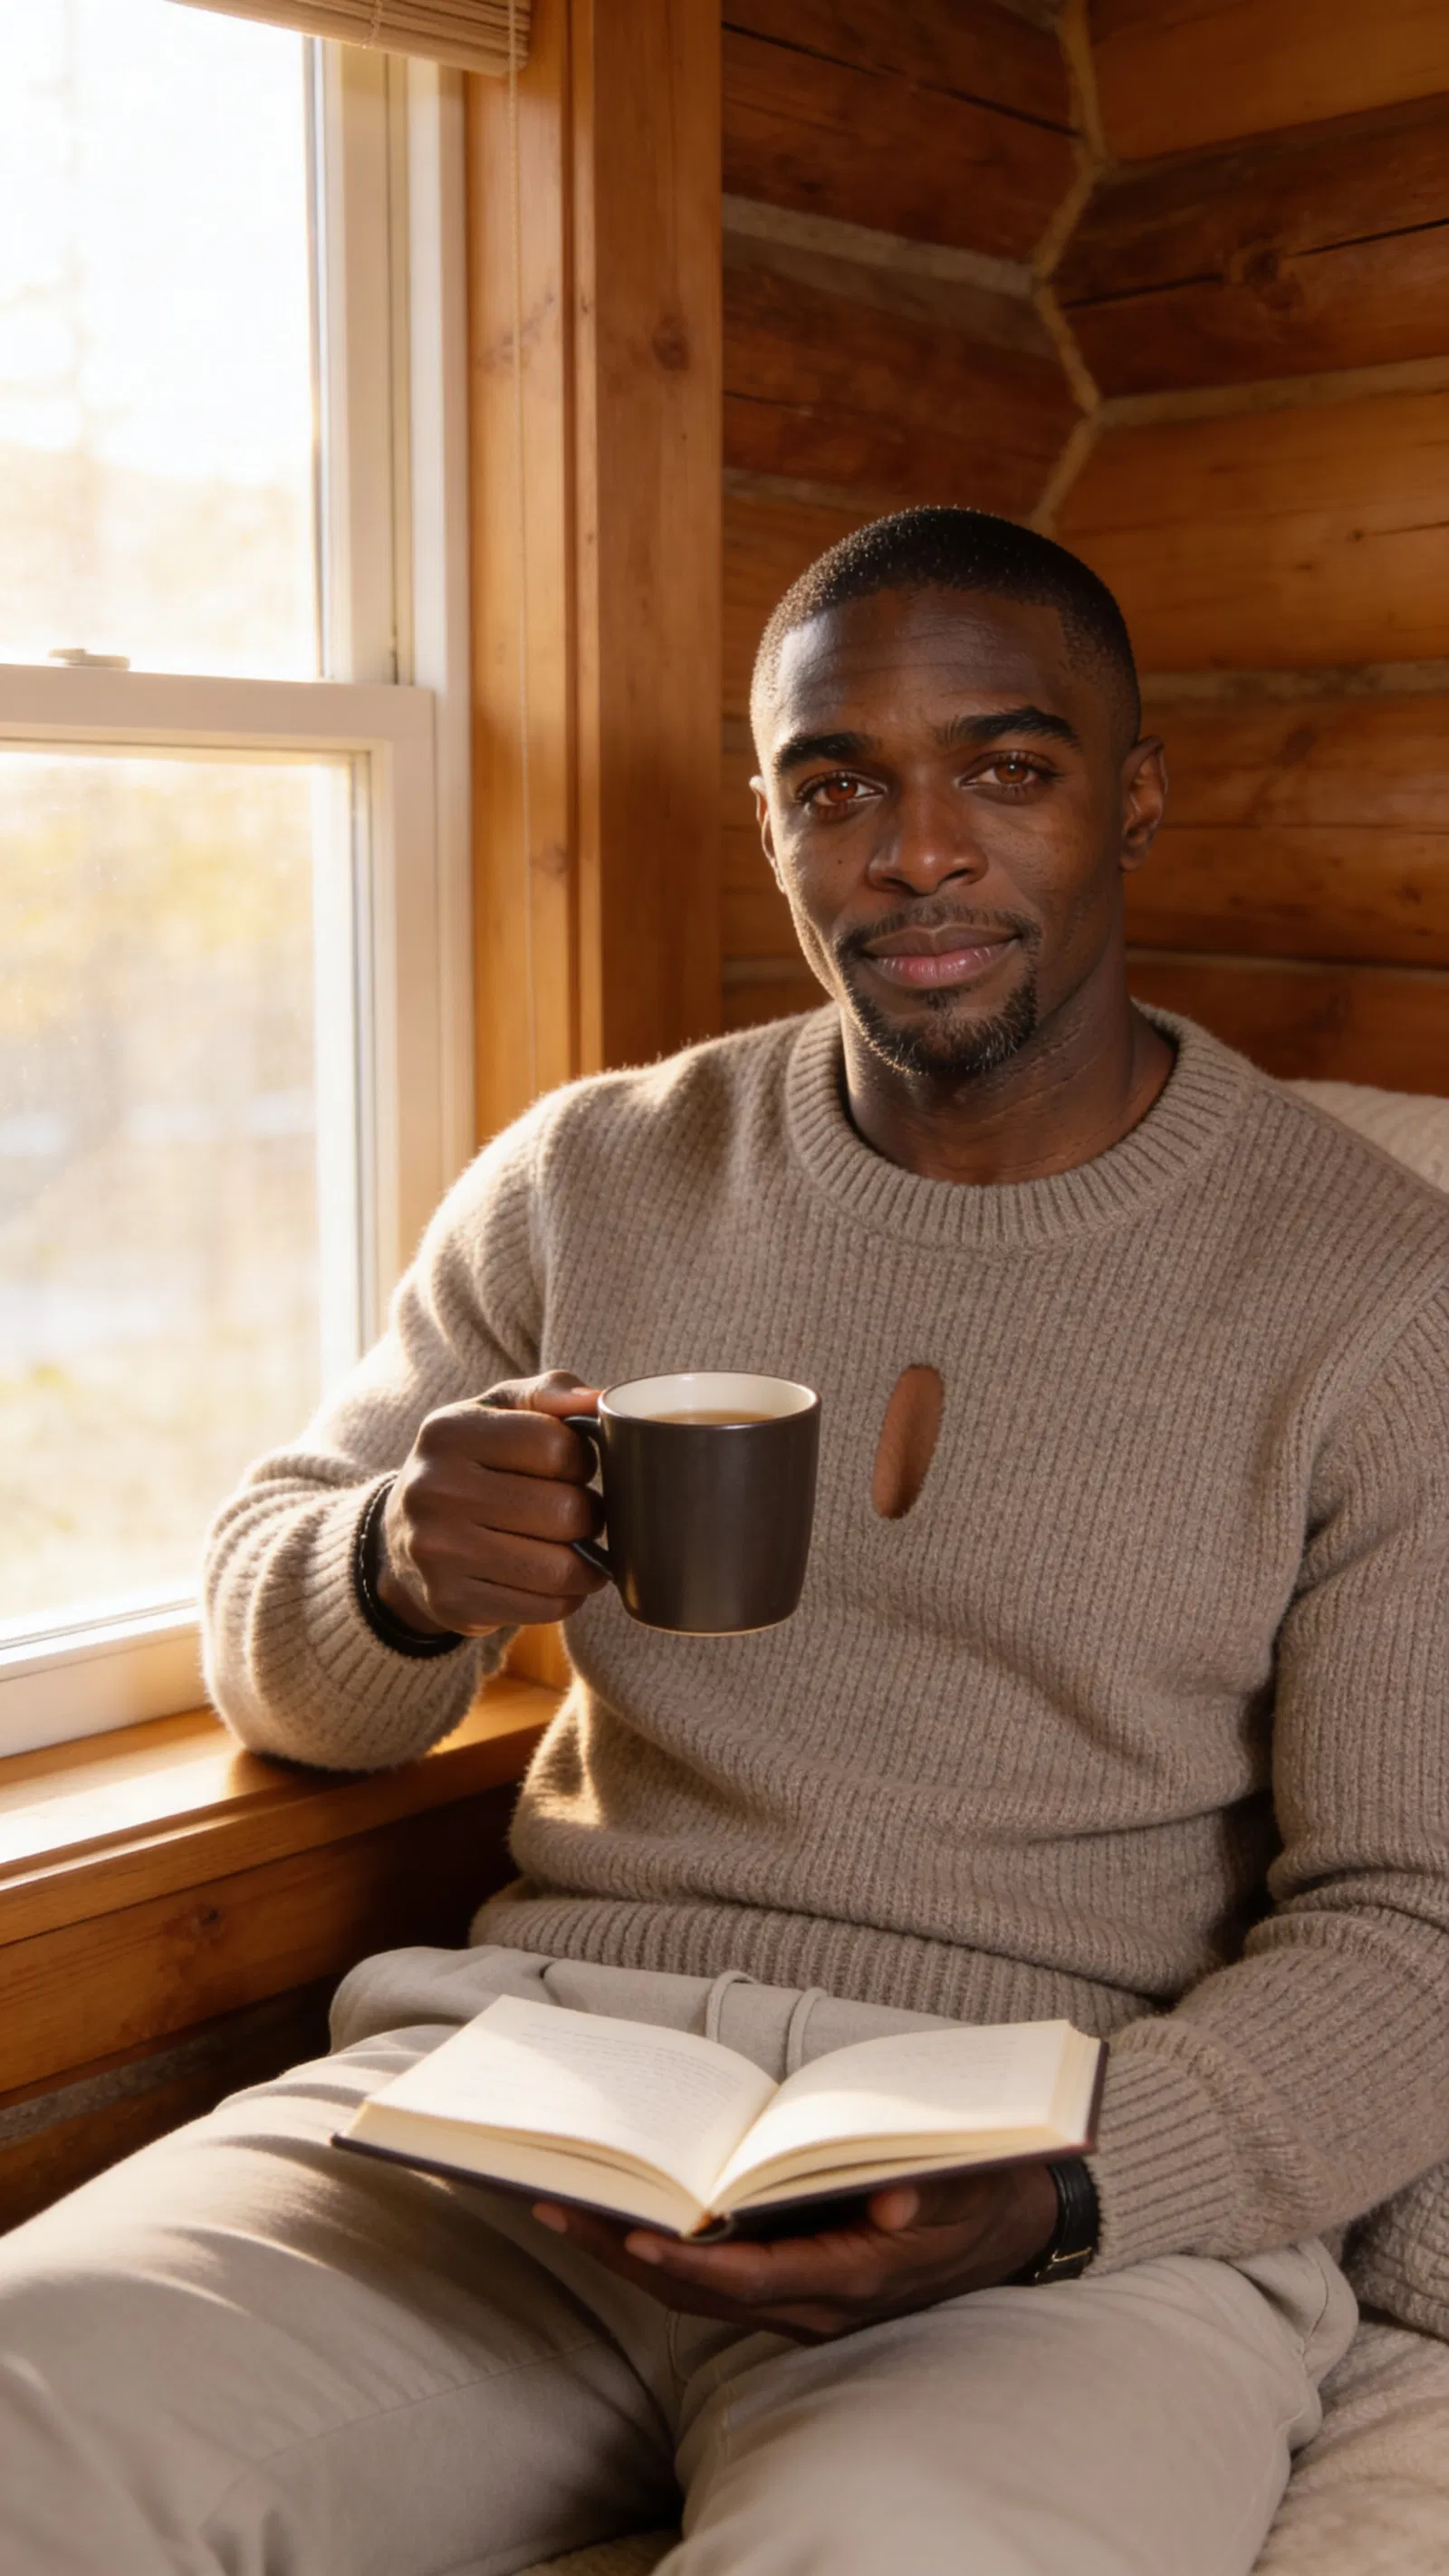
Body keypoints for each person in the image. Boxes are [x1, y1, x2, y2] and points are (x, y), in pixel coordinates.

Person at [2, 506, 1446, 2576]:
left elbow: (1416, 1926)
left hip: (1048, 2177)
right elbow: (274, 1634)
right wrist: (397, 1573)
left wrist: (1067, 2178)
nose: (914, 851)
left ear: (1131, 799)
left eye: (1005, 771)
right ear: (763, 813)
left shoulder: (1379, 1294)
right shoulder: (592, 1172)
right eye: (834, 781)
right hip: (523, 2114)